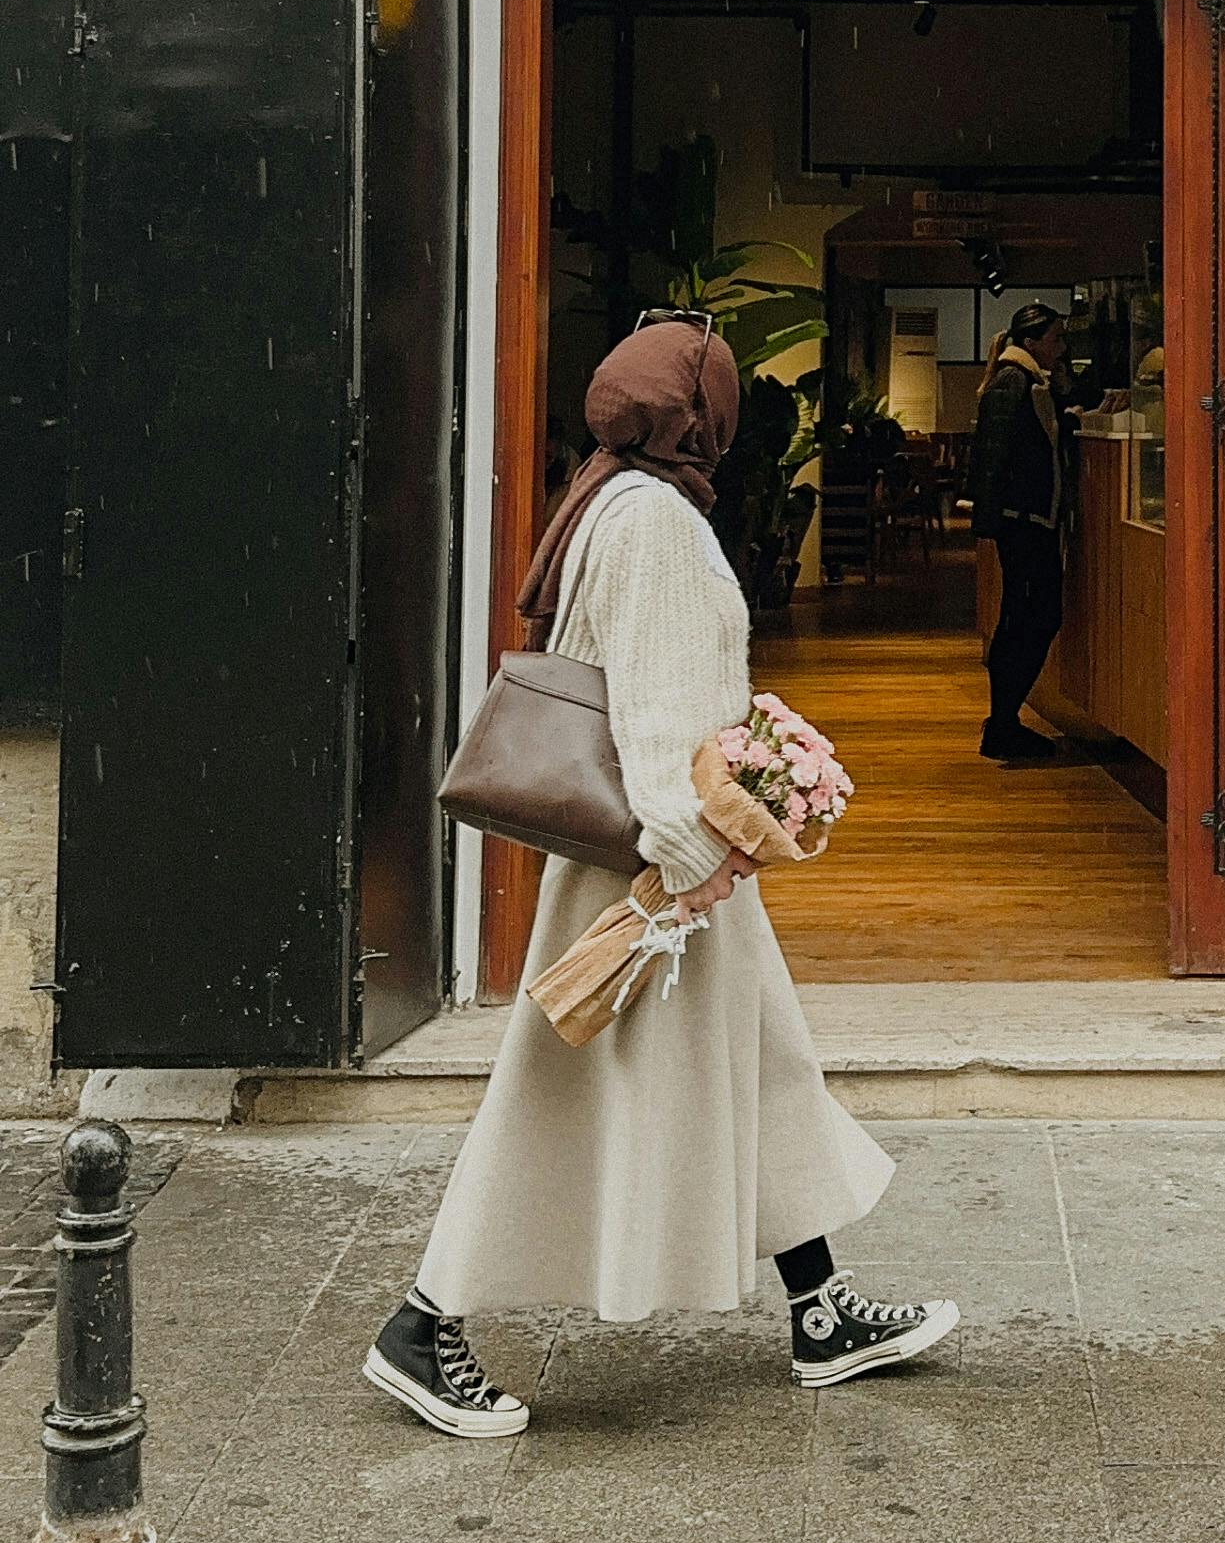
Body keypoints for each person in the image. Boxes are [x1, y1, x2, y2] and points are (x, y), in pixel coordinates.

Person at [363, 313, 957, 1438]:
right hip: (651, 875)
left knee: (766, 1064)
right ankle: (421, 1322)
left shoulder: (606, 495)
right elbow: (657, 716)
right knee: (558, 1086)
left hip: (644, 866)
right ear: (703, 417)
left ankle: (821, 1308)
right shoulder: (662, 530)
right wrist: (697, 860)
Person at [968, 300, 1076, 765]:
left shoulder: (1025, 381)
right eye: (1056, 339)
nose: (1062, 347)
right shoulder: (1016, 382)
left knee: (1025, 617)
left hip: (1025, 520)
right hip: (1024, 521)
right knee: (1031, 617)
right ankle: (1003, 724)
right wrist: (994, 520)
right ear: (1031, 342)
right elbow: (994, 454)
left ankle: (1005, 722)